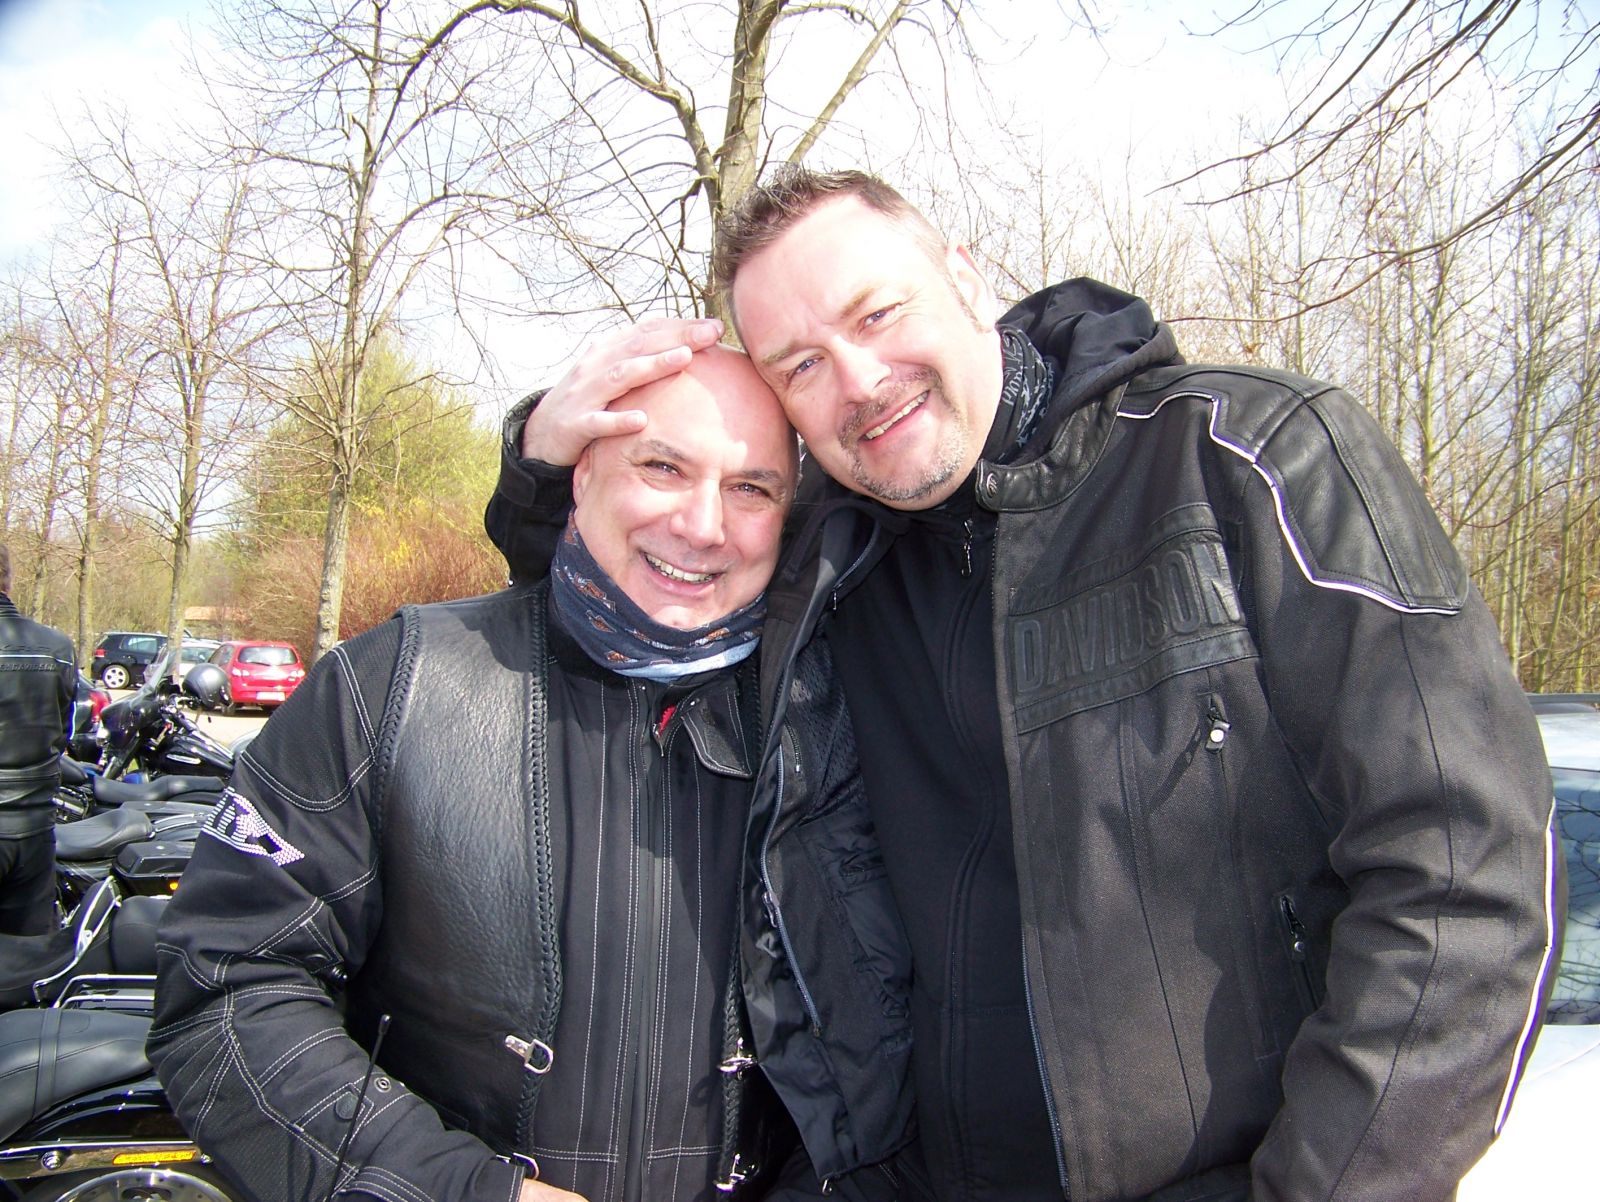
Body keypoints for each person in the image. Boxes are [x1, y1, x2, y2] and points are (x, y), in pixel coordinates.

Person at [484, 167, 1563, 1202]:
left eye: (876, 314)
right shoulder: (821, 566)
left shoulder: (1247, 456)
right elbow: (638, 592)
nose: (858, 380)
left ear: (964, 276)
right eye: (799, 365)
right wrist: (541, 461)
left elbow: (1465, 875)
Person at [148, 348, 913, 1202]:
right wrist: (461, 1190)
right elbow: (226, 987)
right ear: (580, 476)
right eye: (663, 467)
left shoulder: (828, 722)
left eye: (751, 488)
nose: (705, 525)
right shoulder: (390, 685)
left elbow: (891, 1048)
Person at [0, 543, 76, 935]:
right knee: (30, 956)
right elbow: (63, 733)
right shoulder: (57, 647)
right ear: (8, 580)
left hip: (34, 823)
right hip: (35, 831)